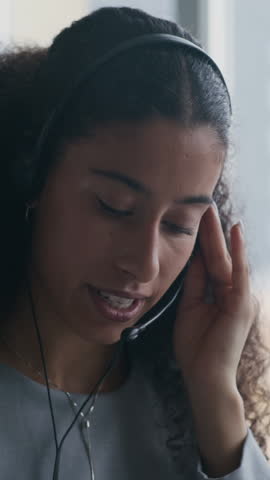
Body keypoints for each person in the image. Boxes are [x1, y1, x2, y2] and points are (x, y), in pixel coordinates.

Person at [0, 5, 269, 480]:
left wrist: (215, 392)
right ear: (31, 175)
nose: (143, 266)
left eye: (180, 225)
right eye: (114, 207)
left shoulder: (188, 410)